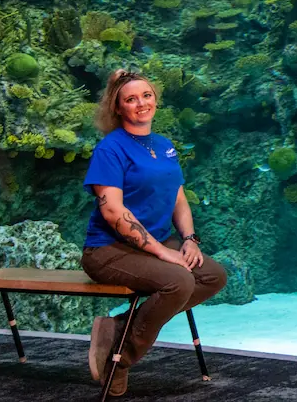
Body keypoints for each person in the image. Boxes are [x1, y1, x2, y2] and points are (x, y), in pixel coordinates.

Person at [80, 69, 227, 396]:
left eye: (146, 96)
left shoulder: (165, 146)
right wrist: (163, 253)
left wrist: (189, 240)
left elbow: (178, 199)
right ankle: (119, 361)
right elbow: (113, 211)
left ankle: (117, 328)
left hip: (158, 242)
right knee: (179, 281)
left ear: (155, 100)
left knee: (213, 276)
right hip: (109, 250)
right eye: (130, 99)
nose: (140, 103)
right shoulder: (111, 148)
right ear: (118, 108)